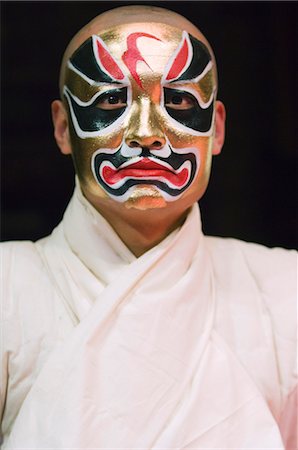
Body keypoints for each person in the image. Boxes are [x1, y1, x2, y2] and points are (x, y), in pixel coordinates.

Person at [0, 5, 296, 449]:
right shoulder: (8, 285)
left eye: (177, 100)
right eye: (111, 101)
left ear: (215, 129)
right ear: (63, 128)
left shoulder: (285, 287)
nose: (145, 134)